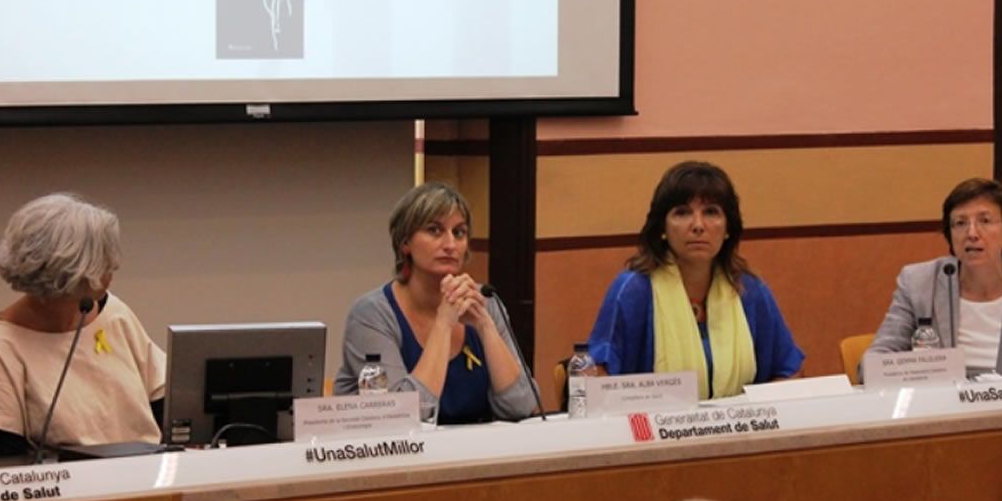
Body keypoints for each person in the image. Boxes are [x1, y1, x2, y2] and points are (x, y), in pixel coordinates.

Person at [0, 193, 165, 456]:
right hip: (66, 478)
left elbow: (162, 399)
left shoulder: (113, 313)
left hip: (145, 469)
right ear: (66, 273)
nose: (113, 268)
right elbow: (4, 455)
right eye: (102, 261)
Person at [587, 161, 804, 399]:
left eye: (711, 212)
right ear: (662, 227)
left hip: (738, 421)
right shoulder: (634, 290)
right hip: (650, 421)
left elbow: (790, 372)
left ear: (728, 228)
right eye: (682, 213)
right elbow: (597, 378)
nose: (698, 226)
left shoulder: (748, 289)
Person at [333, 182, 538, 423]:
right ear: (405, 243)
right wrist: (443, 323)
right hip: (406, 447)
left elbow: (522, 407)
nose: (450, 245)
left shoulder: (486, 303)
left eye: (459, 233)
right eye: (434, 230)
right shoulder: (371, 314)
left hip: (478, 445)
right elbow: (400, 416)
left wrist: (485, 326)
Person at [867, 178, 1002, 376]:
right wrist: (926, 370)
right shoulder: (919, 283)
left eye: (985, 221)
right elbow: (873, 363)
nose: (972, 233)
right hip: (948, 392)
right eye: (960, 223)